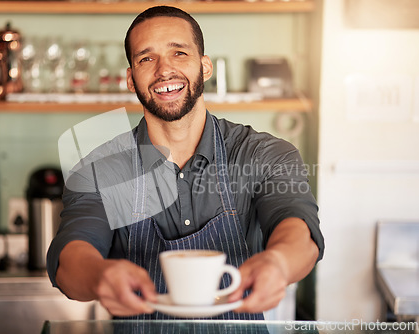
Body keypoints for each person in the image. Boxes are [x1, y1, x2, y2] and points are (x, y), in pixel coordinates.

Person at [47, 5, 324, 320]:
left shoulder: (263, 154)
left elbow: (298, 228)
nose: (164, 70)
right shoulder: (99, 170)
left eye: (179, 53)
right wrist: (99, 276)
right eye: (146, 59)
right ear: (130, 78)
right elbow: (71, 256)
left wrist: (279, 263)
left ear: (204, 67)